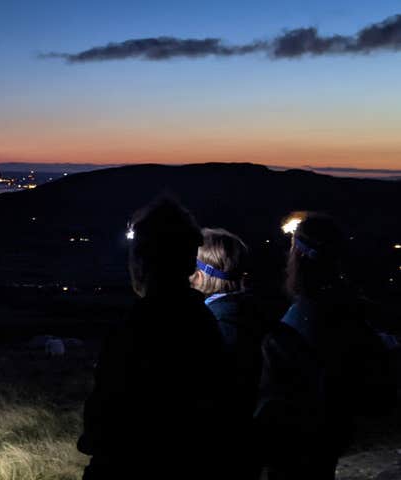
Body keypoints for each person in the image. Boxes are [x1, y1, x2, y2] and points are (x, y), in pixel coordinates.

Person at [78, 197, 237, 479]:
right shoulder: (204, 324)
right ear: (190, 262)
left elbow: (102, 424)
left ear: (141, 259)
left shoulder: (136, 328)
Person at [255, 213, 398, 480]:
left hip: (299, 445)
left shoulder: (307, 317)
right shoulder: (349, 307)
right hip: (332, 435)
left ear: (298, 256)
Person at [191, 228, 270, 479]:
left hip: (220, 453)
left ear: (201, 274)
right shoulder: (250, 313)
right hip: (247, 449)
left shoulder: (218, 324)